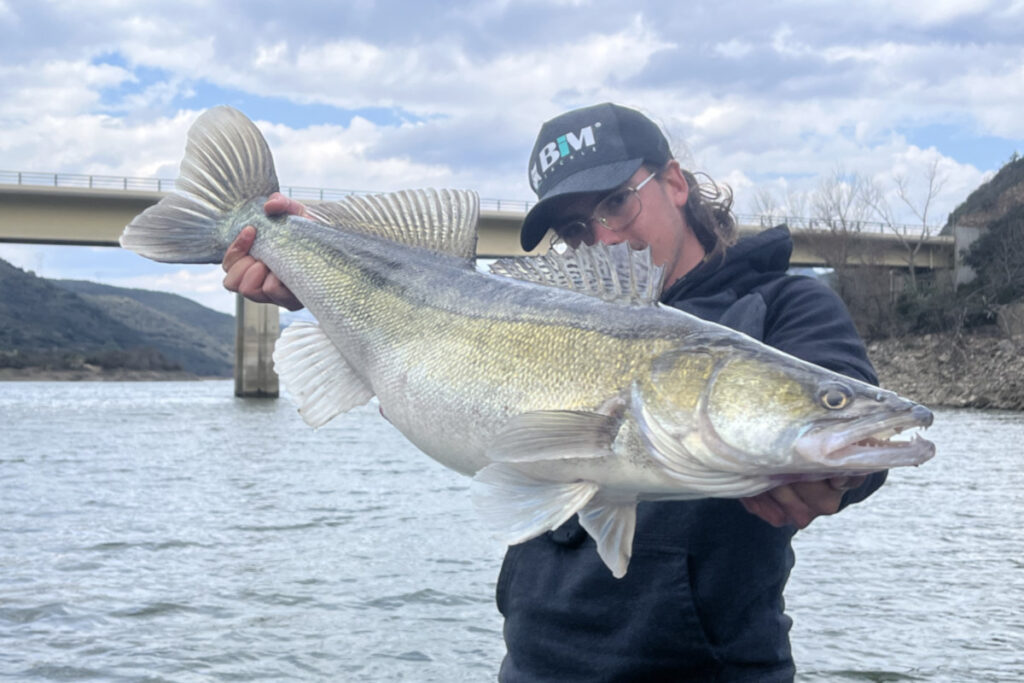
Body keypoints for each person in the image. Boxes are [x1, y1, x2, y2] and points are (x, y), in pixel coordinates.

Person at [222, 102, 885, 682]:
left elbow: (849, 417)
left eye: (617, 201)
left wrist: (846, 473)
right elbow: (424, 308)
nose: (602, 236)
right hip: (534, 667)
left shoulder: (783, 305)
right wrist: (306, 258)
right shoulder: (533, 311)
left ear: (675, 181)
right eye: (574, 231)